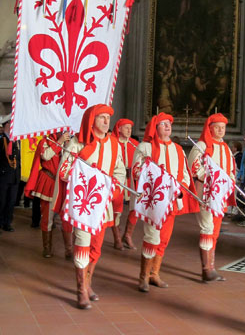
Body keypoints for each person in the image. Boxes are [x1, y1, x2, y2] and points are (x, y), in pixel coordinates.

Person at [56, 104, 126, 310]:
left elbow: (120, 171)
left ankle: (88, 283)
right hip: (84, 203)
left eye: (108, 118)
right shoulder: (78, 143)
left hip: (103, 204)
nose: (106, 122)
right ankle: (80, 290)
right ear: (91, 121)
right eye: (101, 118)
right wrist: (83, 177)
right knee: (83, 244)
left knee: (96, 246)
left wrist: (113, 192)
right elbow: (64, 171)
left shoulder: (114, 144)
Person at [132, 112, 199, 292]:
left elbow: (185, 175)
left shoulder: (177, 149)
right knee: (152, 238)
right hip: (154, 201)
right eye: (163, 124)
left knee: (164, 239)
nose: (168, 126)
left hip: (172, 202)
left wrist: (179, 189)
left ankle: (155, 274)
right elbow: (137, 171)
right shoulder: (145, 147)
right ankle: (143, 276)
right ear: (155, 128)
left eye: (169, 123)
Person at [188, 113, 236, 282]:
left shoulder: (225, 147)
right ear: (210, 128)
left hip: (220, 195)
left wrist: (230, 179)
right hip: (206, 193)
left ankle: (212, 267)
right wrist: (210, 178)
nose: (221, 130)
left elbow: (230, 168)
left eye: (223, 128)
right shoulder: (202, 145)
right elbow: (193, 166)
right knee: (207, 228)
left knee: (214, 231)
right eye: (217, 127)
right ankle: (206, 269)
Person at [25, 132, 72, 258]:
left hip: (63, 183)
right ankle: (47, 247)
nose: (62, 132)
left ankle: (69, 249)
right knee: (47, 217)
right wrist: (60, 141)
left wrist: (67, 145)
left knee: (66, 218)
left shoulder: (68, 143)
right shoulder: (44, 141)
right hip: (49, 181)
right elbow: (46, 156)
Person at [111, 118, 139, 250]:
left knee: (136, 208)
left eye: (130, 128)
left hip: (132, 180)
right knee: (116, 209)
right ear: (119, 128)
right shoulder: (112, 143)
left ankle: (127, 235)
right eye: (126, 127)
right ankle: (117, 238)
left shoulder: (134, 144)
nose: (129, 130)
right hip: (118, 179)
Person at [0, 114, 20, 232]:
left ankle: (7, 223)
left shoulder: (15, 140)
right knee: (1, 201)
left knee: (11, 202)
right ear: (7, 124)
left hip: (14, 176)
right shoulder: (1, 138)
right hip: (3, 176)